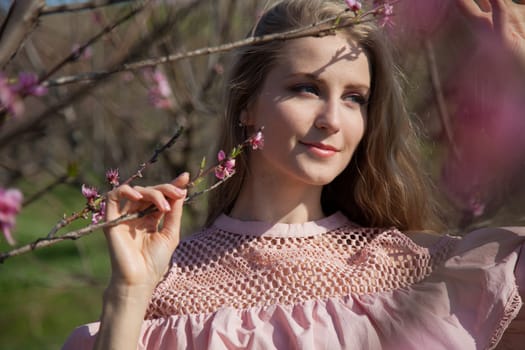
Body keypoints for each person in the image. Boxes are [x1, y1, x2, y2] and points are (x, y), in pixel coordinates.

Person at [63, 0, 525, 349]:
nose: (332, 119)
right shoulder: (163, 287)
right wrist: (129, 292)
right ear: (246, 104)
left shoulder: (414, 267)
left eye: (355, 98)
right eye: (306, 88)